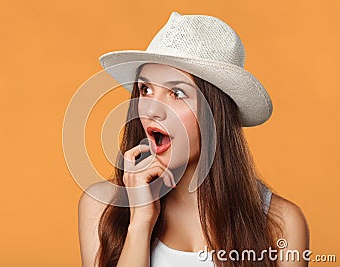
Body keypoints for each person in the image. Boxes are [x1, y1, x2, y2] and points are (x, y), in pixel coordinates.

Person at [78, 12, 309, 267]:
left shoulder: (281, 223)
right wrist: (140, 221)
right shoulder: (100, 207)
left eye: (176, 93)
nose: (152, 109)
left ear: (215, 113)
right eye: (146, 89)